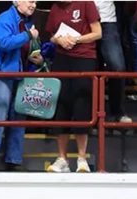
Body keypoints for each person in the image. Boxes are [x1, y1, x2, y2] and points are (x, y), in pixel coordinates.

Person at [0, 0, 41, 173]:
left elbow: (30, 47)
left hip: (20, 74)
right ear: (17, 1)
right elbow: (5, 43)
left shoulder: (28, 22)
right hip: (0, 74)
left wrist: (38, 57)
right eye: (30, 1)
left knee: (19, 119)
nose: (33, 5)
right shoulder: (5, 18)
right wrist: (28, 36)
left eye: (36, 2)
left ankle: (13, 161)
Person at [44, 1, 101, 174]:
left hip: (84, 58)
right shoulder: (55, 8)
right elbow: (51, 35)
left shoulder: (86, 3)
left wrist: (75, 39)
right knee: (61, 104)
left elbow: (97, 33)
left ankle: (82, 158)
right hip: (62, 59)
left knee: (82, 104)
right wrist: (58, 40)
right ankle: (62, 158)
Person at [94, 0, 130, 124]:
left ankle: (118, 112)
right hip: (82, 19)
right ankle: (93, 112)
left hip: (107, 21)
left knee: (117, 67)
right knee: (91, 68)